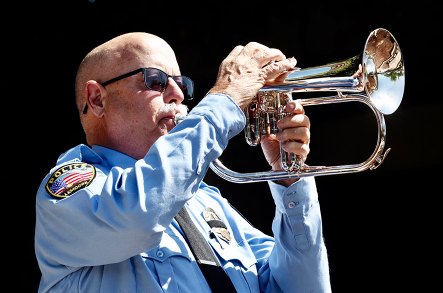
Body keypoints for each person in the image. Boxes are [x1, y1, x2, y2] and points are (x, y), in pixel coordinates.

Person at [34, 31, 332, 293]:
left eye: (180, 83)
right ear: (97, 99)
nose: (178, 95)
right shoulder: (67, 194)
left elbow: (304, 287)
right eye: (155, 80)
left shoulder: (204, 200)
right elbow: (137, 216)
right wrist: (225, 99)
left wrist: (289, 175)